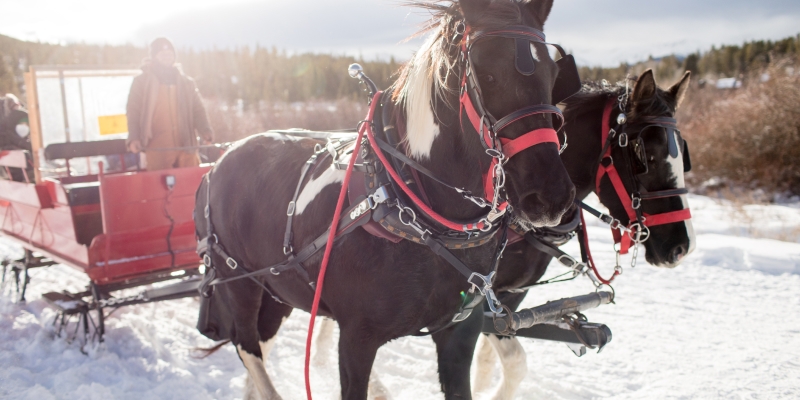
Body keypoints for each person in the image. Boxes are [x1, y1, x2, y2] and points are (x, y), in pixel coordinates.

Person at [126, 37, 213, 170]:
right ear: (154, 56)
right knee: (161, 187)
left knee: (193, 185)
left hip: (186, 145)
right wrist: (134, 138)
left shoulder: (186, 82)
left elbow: (198, 109)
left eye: (170, 54)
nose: (167, 57)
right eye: (162, 54)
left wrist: (205, 130)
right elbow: (133, 111)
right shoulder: (141, 82)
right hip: (157, 147)